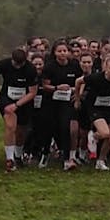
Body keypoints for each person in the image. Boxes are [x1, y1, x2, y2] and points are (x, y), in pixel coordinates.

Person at [0, 49, 38, 172]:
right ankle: (9, 159)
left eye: (19, 64)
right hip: (7, 98)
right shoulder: (4, 64)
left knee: (21, 131)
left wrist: (17, 104)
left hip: (24, 100)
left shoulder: (30, 69)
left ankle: (18, 155)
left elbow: (33, 92)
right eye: (15, 63)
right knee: (10, 126)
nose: (16, 66)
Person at [41, 41, 85, 170]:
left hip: (67, 102)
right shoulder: (50, 66)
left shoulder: (74, 65)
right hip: (51, 102)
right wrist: (56, 88)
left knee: (65, 127)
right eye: (59, 51)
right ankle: (45, 154)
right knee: (50, 128)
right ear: (54, 53)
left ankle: (67, 159)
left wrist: (76, 93)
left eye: (64, 51)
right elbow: (44, 85)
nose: (62, 53)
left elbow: (82, 82)